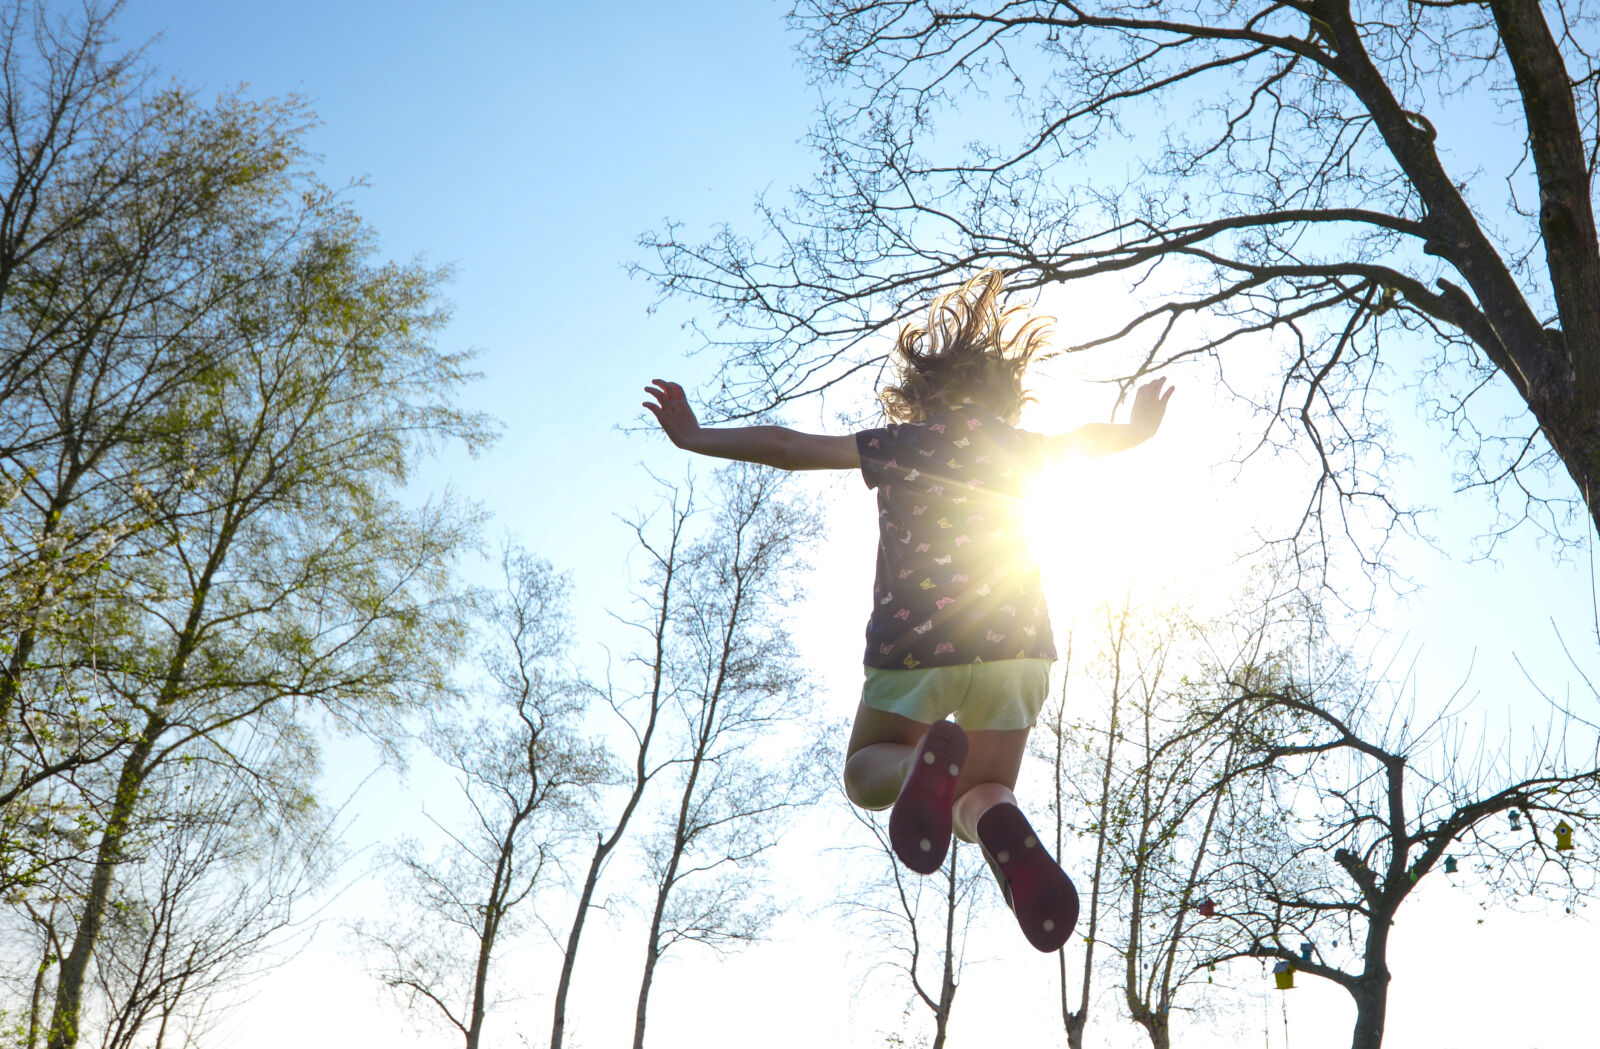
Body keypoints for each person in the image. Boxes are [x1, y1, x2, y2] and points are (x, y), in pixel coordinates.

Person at [642, 270, 1172, 953]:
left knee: (866, 769)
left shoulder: (900, 444)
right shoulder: (1024, 448)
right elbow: (1085, 440)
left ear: (924, 394)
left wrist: (695, 436)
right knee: (982, 797)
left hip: (915, 648)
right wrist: (1137, 430)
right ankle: (991, 818)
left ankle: (921, 755)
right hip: (1018, 652)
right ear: (1005, 396)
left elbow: (787, 448)